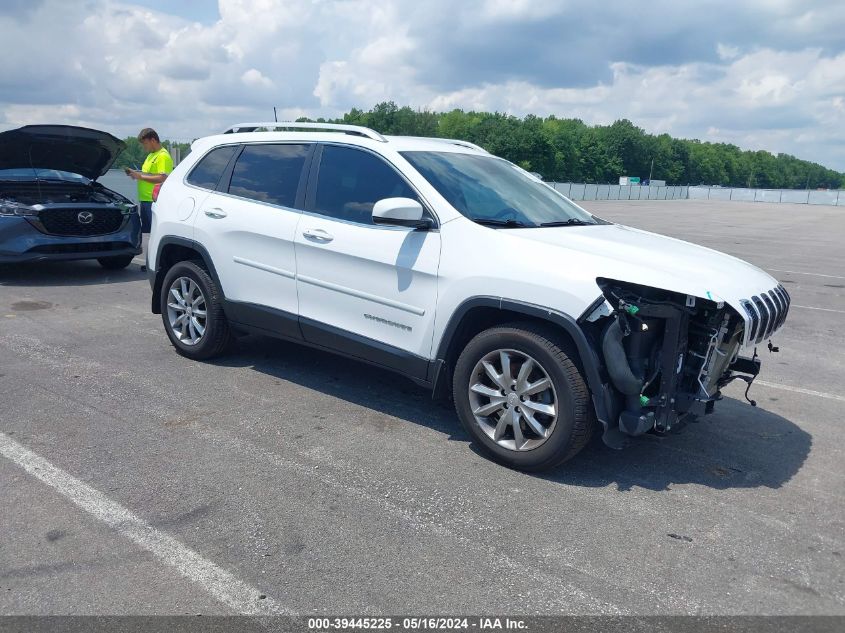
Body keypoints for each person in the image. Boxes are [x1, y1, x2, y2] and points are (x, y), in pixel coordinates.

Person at [125, 128, 173, 233]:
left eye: (145, 143)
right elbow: (147, 174)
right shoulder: (151, 155)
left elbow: (163, 178)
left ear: (153, 140)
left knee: (154, 233)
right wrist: (136, 174)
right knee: (146, 233)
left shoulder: (163, 156)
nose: (144, 147)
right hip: (145, 200)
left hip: (154, 201)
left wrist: (140, 177)